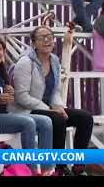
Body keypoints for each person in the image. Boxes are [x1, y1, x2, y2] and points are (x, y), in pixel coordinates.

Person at [12, 25, 94, 176]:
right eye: (42, 37)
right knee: (57, 119)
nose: (47, 40)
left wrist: (58, 106)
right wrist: (50, 110)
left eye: (50, 37)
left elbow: (55, 90)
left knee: (86, 118)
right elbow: (21, 97)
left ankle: (78, 166)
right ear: (33, 43)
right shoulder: (25, 62)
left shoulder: (54, 60)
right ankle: (59, 168)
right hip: (27, 109)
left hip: (48, 108)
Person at [0, 36, 54, 175]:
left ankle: (48, 170)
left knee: (46, 121)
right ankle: (32, 170)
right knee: (28, 123)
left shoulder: (1, 69)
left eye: (0, 49)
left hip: (4, 114)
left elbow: (7, 97)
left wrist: (10, 91)